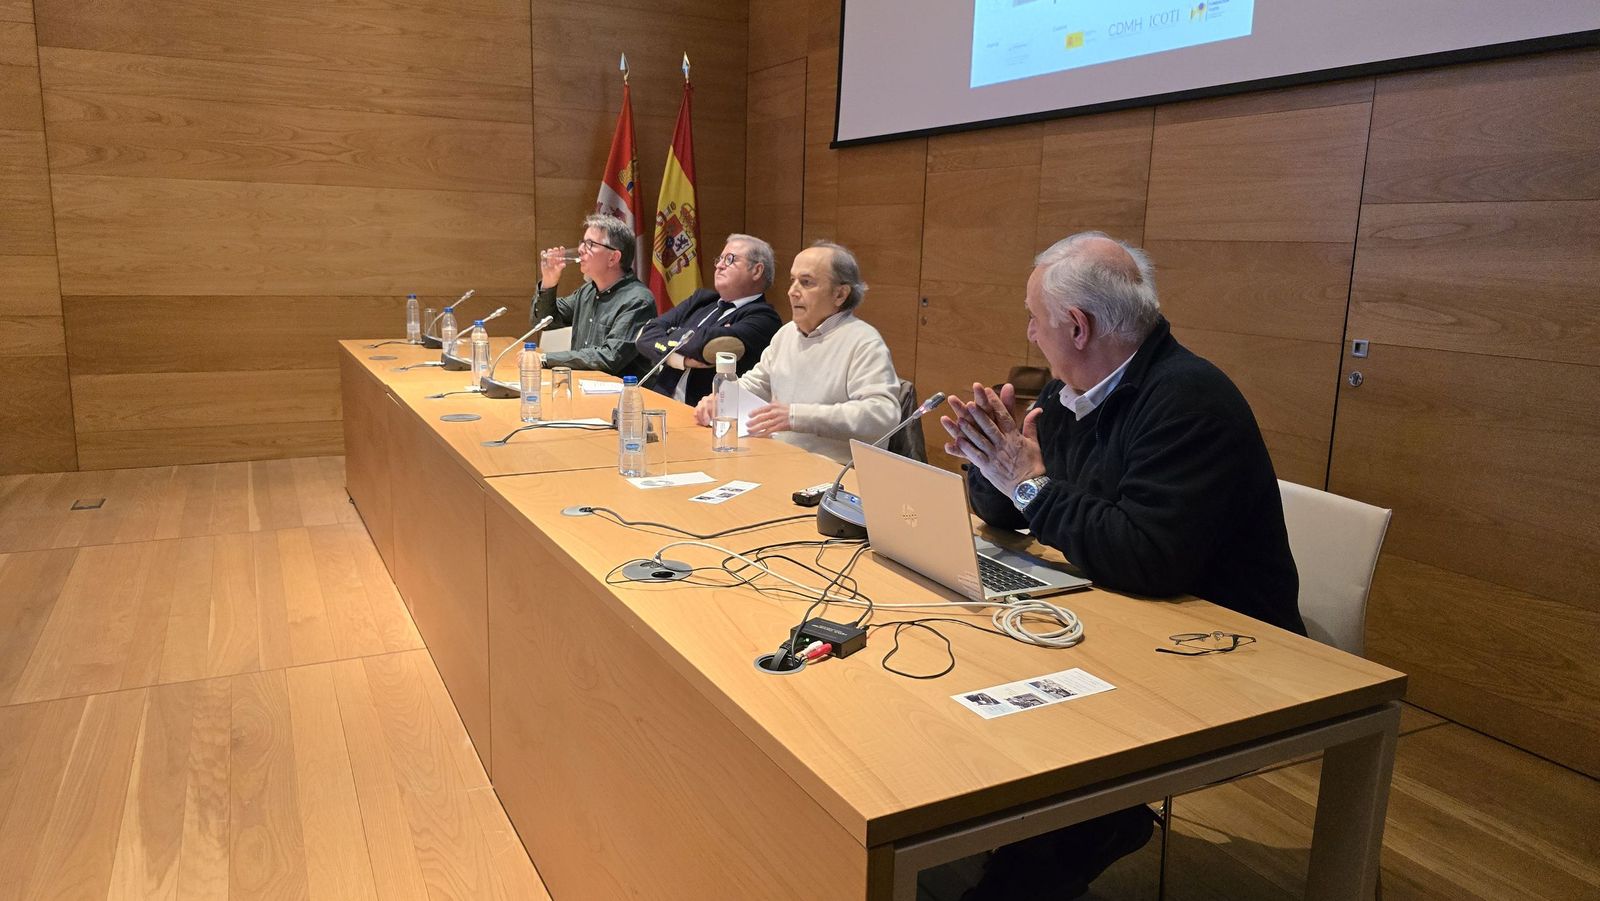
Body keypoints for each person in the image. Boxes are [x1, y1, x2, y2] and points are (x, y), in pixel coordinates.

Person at [940, 231, 1303, 900]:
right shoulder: (1074, 388)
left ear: (1077, 326)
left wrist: (1029, 485)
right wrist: (995, 464)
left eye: (1034, 318)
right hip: (1120, 608)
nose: (1029, 332)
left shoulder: (1188, 399)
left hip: (1221, 644)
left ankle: (1072, 832)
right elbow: (1033, 506)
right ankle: (1033, 825)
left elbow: (1145, 554)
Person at [693, 241, 900, 464]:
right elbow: (757, 384)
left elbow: (882, 414)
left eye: (806, 282)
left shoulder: (863, 341)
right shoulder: (786, 334)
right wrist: (720, 399)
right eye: (793, 281)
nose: (792, 292)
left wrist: (797, 417)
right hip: (776, 458)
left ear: (840, 294)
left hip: (832, 473)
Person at [633, 234, 783, 406]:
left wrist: (671, 334)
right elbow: (645, 336)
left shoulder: (764, 319)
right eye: (720, 259)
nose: (719, 265)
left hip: (706, 413)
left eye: (730, 259)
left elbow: (707, 344)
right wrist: (679, 359)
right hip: (662, 401)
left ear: (756, 270)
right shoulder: (701, 300)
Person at [533, 213, 658, 378]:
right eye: (582, 243)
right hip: (582, 388)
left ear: (613, 258)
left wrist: (545, 359)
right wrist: (549, 283)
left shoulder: (638, 301)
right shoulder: (587, 292)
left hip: (620, 396)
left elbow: (609, 358)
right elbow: (544, 322)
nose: (580, 249)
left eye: (590, 244)